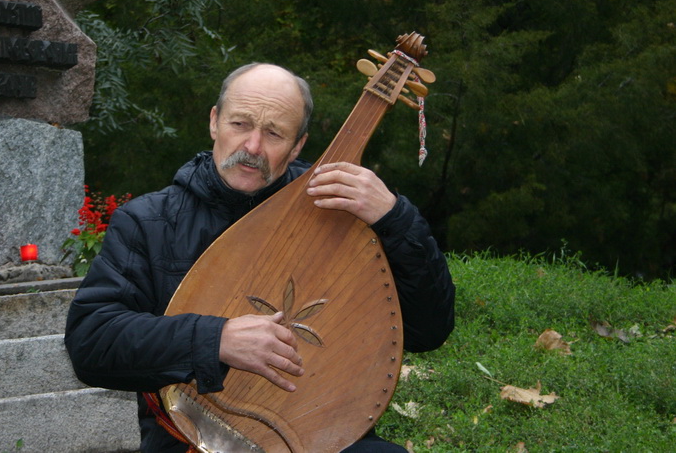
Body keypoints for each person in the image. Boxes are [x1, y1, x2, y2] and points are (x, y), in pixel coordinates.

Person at [64, 63, 455, 452]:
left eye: (274, 133)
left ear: (298, 145)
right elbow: (90, 342)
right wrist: (215, 339)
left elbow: (428, 331)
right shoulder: (148, 223)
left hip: (316, 433)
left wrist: (396, 220)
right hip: (194, 436)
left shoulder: (342, 215)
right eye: (240, 124)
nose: (252, 147)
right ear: (215, 122)